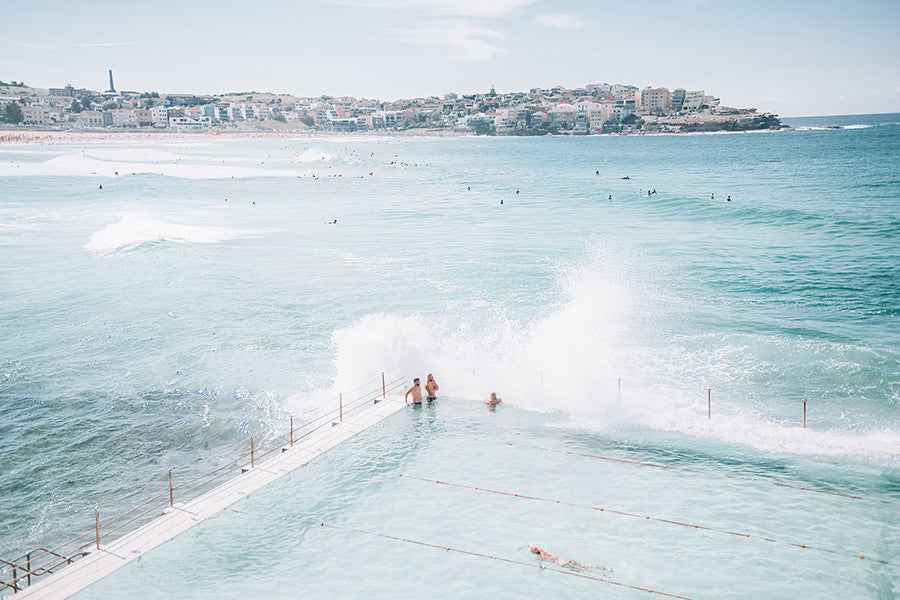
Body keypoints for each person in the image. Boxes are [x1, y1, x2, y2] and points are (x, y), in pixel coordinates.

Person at [529, 545, 610, 573]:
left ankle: (600, 571)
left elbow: (539, 563)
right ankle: (602, 569)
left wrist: (541, 567)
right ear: (535, 551)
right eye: (534, 548)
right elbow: (539, 563)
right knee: (583, 566)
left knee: (582, 567)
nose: (535, 547)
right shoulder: (541, 552)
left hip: (560, 561)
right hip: (561, 559)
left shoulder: (540, 554)